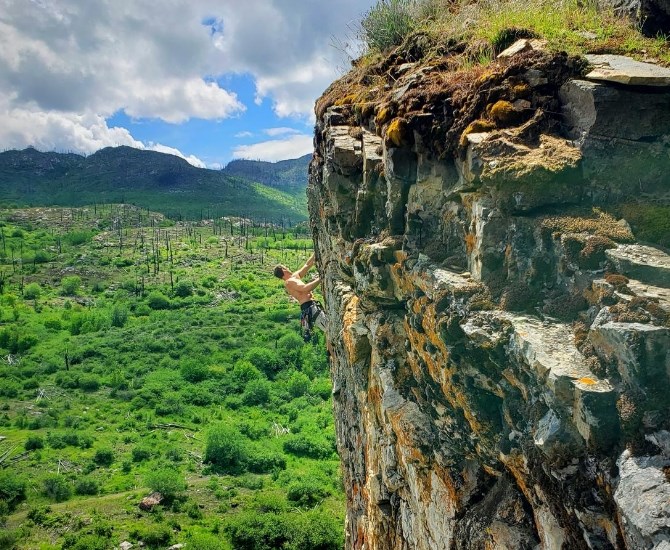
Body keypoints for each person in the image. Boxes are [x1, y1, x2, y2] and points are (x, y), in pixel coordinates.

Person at [273, 253, 327, 341]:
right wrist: (321, 278)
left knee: (328, 328)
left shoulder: (294, 277)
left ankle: (331, 352)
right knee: (328, 327)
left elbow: (307, 265)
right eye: (285, 267)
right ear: (283, 269)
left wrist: (315, 253)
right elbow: (305, 289)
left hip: (312, 305)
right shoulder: (289, 282)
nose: (287, 267)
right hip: (309, 308)